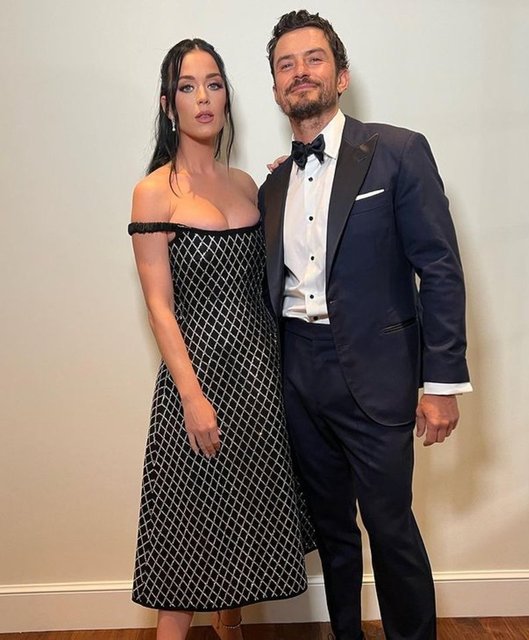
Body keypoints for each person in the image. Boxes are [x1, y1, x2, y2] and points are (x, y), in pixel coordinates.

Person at [259, 10, 472, 640]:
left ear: (342, 74)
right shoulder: (274, 184)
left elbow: (439, 267)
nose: (300, 72)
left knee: (390, 526)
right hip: (297, 373)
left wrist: (442, 383)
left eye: (314, 59)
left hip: (377, 373)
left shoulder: (399, 151)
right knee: (331, 530)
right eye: (286, 64)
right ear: (276, 87)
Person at [128, 38, 315, 640]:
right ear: (169, 104)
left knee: (243, 535)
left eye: (213, 84)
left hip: (258, 380)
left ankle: (229, 629)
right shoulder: (154, 191)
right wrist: (192, 397)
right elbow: (160, 307)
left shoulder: (247, 184)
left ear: (226, 97)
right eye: (187, 87)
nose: (203, 98)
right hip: (199, 380)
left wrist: (289, 185)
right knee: (187, 553)